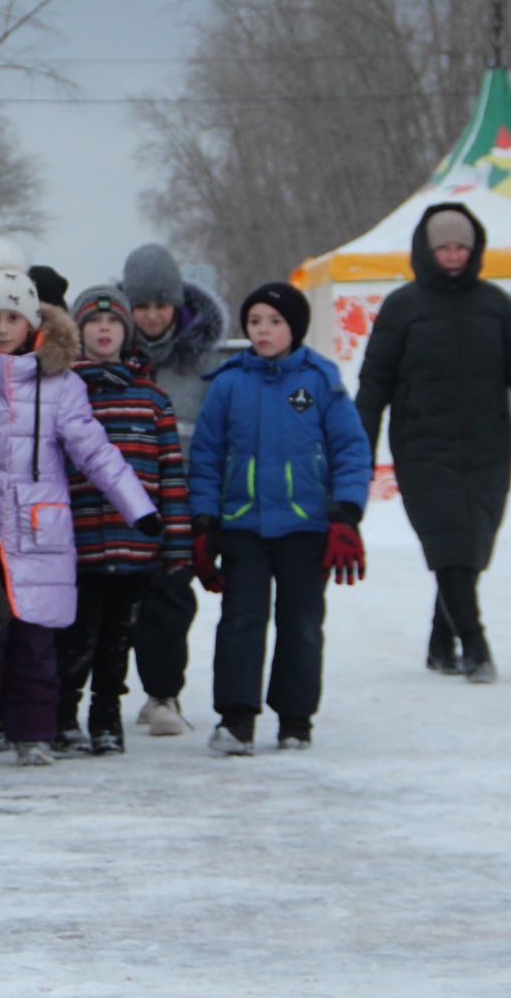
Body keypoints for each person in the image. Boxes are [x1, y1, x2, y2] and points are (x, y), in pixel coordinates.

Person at [0, 248, 160, 767]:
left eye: (13, 317)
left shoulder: (61, 384)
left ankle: (32, 733)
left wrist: (138, 508)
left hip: (41, 533)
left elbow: (95, 451)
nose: (3, 329)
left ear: (32, 322)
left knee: (36, 647)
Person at [354, 204, 511, 683]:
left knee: (470, 547)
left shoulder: (494, 304)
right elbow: (373, 386)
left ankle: (440, 641)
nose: (452, 255)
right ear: (427, 250)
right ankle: (475, 644)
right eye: (443, 247)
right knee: (451, 543)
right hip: (423, 448)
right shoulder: (402, 307)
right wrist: (359, 452)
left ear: (474, 250)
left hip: (486, 447)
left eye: (461, 247)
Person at [189, 283, 372, 756]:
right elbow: (206, 455)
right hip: (244, 526)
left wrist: (346, 514)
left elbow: (351, 449)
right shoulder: (229, 383)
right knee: (240, 622)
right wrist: (205, 521)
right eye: (255, 322)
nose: (264, 331)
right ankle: (236, 719)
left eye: (275, 321)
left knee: (302, 624)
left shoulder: (320, 381)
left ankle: (295, 720)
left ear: (294, 328)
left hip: (306, 528)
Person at [61, 286, 192, 755]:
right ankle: (65, 713)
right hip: (79, 545)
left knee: (119, 638)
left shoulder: (152, 400)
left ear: (126, 332)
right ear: (77, 333)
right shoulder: (61, 393)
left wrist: (176, 543)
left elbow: (172, 479)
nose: (103, 330)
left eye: (113, 323)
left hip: (135, 547)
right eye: (93, 323)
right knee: (78, 637)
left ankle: (106, 718)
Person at [119, 243, 228, 737]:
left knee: (170, 601)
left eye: (162, 305)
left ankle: (163, 695)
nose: (153, 316)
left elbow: (214, 441)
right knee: (116, 606)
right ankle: (103, 696)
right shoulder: (107, 355)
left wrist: (208, 510)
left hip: (177, 505)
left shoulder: (204, 364)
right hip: (116, 506)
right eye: (142, 306)